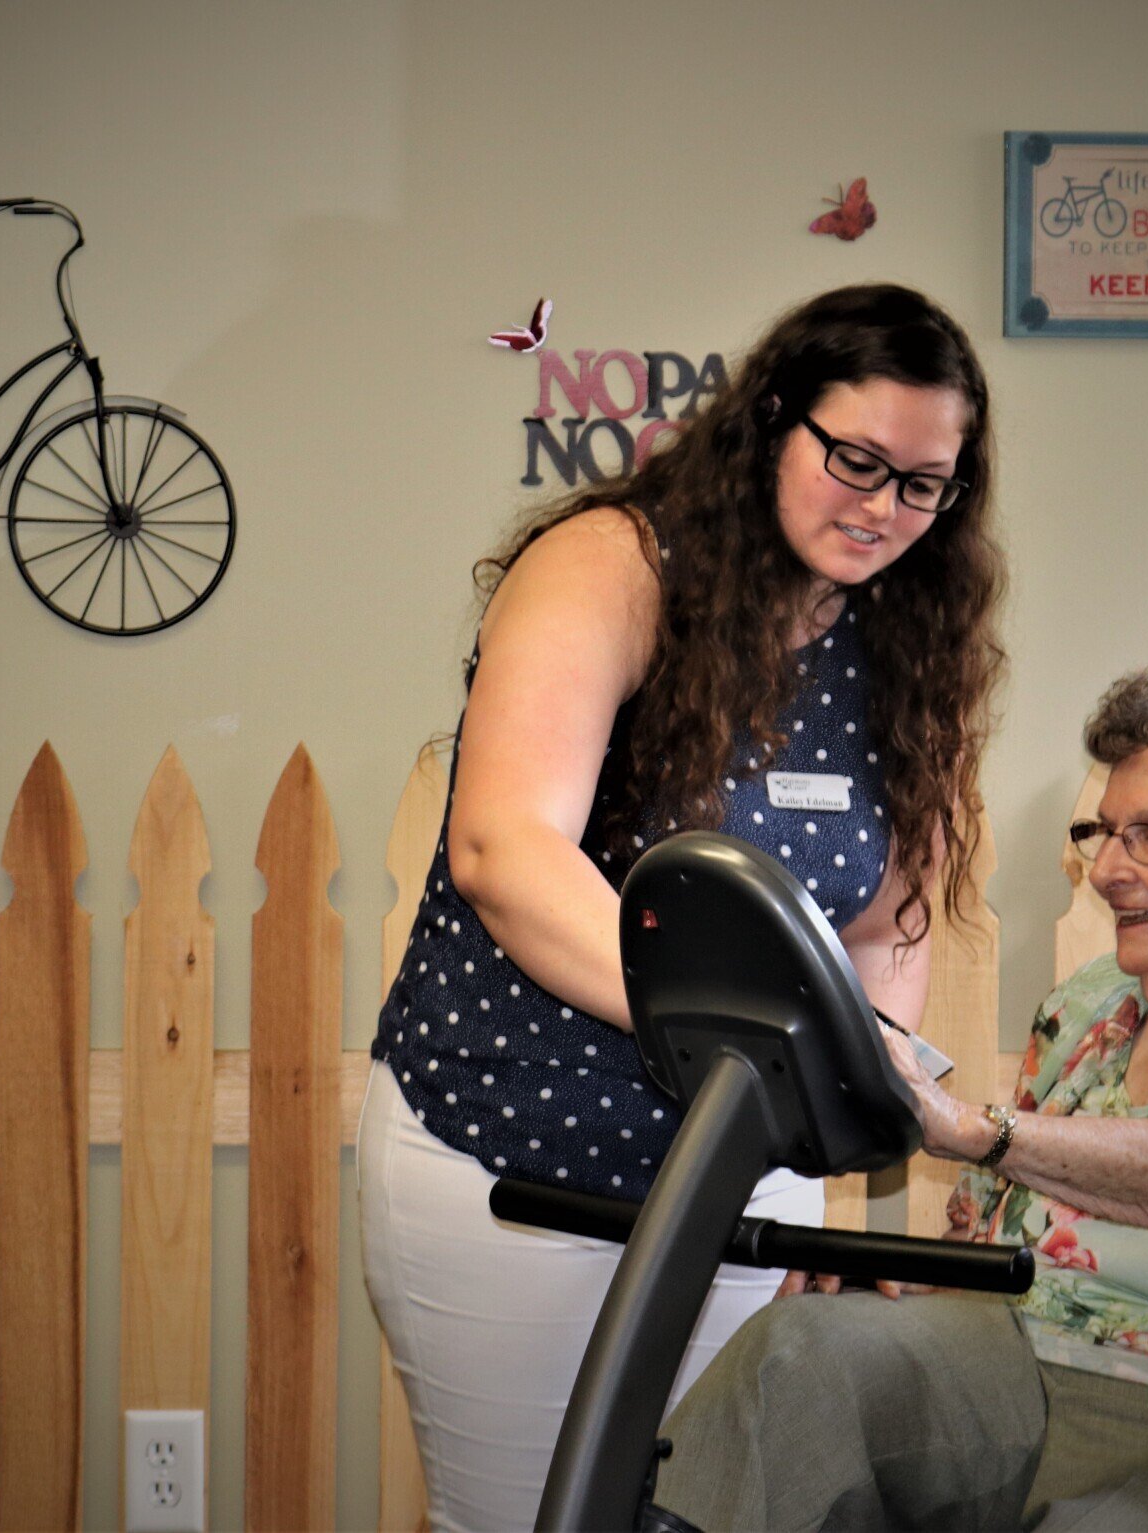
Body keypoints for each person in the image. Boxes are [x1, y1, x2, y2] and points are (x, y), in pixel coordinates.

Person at [358, 284, 1008, 1531]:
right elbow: (506, 849)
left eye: (925, 486)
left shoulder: (914, 641)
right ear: (773, 420)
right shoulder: (612, 566)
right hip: (509, 1152)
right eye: (856, 461)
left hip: (736, 1179)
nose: (883, 510)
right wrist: (764, 1043)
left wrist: (823, 1146)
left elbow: (883, 930)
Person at [651, 656, 1148, 1532]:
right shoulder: (1083, 1012)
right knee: (793, 1357)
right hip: (1020, 1372)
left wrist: (971, 1127)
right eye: (1103, 832)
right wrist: (894, 1283)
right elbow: (985, 1248)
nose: (1108, 868)